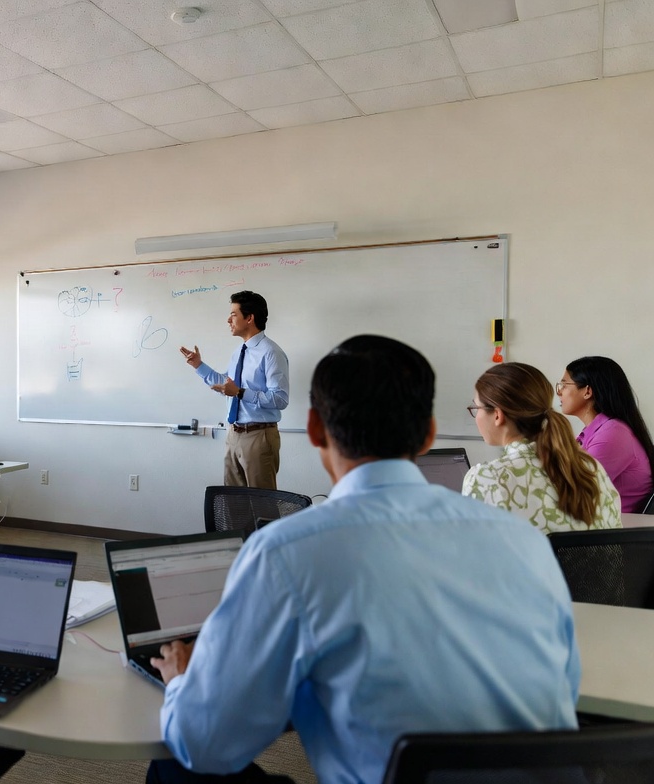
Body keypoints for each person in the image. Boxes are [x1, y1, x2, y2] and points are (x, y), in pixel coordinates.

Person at [151, 336, 579, 784]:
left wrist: (182, 680)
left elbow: (205, 743)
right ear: (429, 433)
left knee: (175, 764)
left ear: (315, 430)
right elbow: (563, 691)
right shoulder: (523, 540)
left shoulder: (286, 553)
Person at [463, 362, 621, 533]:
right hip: (601, 561)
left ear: (497, 415)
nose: (476, 415)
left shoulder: (488, 479)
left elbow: (472, 554)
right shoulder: (591, 468)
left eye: (476, 407)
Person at [180, 291, 288, 489]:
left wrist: (240, 393)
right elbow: (226, 384)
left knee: (262, 505)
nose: (228, 319)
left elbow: (280, 399)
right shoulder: (239, 351)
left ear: (249, 318)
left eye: (233, 314)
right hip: (234, 434)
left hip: (259, 436)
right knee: (235, 504)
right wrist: (198, 365)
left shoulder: (271, 353)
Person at [557, 356, 654, 513]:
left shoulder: (613, 434)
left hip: (617, 532)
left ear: (587, 391)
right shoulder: (596, 432)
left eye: (564, 385)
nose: (559, 392)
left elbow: (575, 491)